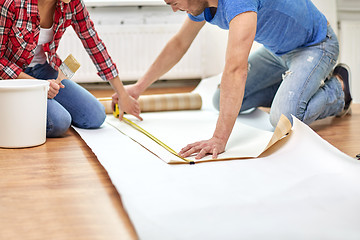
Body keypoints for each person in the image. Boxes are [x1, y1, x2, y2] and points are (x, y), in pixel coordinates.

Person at [119, 0, 352, 160]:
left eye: (174, 3)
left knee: (282, 119)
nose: (174, 10)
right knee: (221, 100)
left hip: (316, 45)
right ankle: (294, 87)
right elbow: (179, 44)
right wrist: (139, 87)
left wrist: (219, 139)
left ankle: (338, 91)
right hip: (278, 52)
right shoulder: (201, 5)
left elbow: (236, 69)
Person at [0, 0, 142, 137]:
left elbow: (94, 44)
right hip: (12, 79)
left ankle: (30, 108)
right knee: (59, 123)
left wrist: (122, 93)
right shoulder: (11, 3)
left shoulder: (73, 3)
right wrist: (39, 86)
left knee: (95, 116)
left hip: (43, 70)